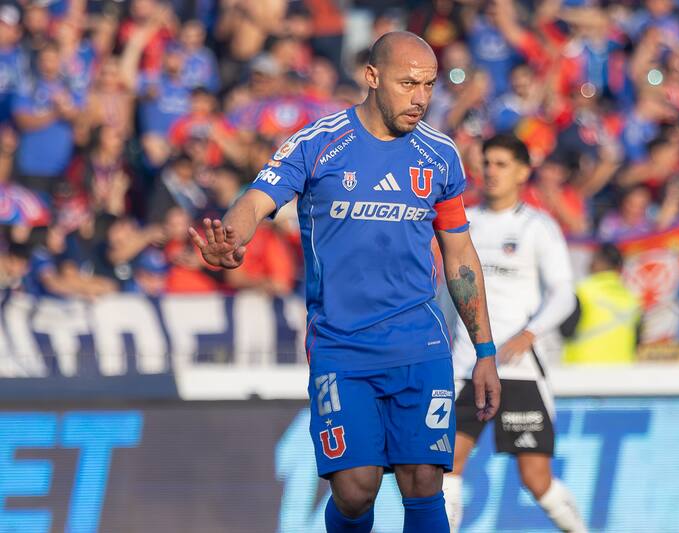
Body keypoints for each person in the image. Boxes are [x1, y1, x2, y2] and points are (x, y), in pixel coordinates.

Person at [188, 31, 501, 533]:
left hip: (419, 343)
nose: (420, 98)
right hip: (342, 345)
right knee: (355, 490)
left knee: (424, 480)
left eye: (428, 85)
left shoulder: (440, 156)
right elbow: (256, 199)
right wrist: (232, 238)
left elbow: (460, 254)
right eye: (407, 83)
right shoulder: (319, 143)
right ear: (372, 78)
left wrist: (485, 350)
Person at [443, 133, 587, 533]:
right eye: (487, 163)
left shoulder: (538, 227)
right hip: (466, 366)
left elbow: (564, 294)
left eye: (502, 164)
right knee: (446, 468)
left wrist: (530, 334)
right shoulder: (462, 221)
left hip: (518, 368)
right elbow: (445, 290)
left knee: (536, 478)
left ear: (523, 172)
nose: (491, 171)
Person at [562, 243, 642, 365]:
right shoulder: (631, 298)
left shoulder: (583, 291)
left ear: (596, 262)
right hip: (621, 372)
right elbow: (637, 340)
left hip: (582, 371)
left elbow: (566, 330)